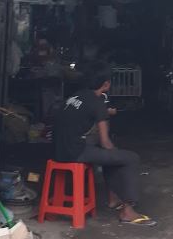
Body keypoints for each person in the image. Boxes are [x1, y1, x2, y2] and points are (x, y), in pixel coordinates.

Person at [52, 63, 156, 227]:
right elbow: (105, 142)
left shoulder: (76, 96)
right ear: (106, 84)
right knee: (130, 158)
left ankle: (113, 199)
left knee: (108, 155)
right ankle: (128, 211)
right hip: (75, 152)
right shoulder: (98, 102)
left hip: (58, 150)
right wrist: (115, 152)